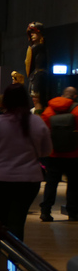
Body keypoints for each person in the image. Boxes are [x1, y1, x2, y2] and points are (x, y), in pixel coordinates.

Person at [0, 83, 52, 240]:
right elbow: (47, 151)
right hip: (29, 180)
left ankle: (1, 254)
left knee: (1, 220)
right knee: (18, 220)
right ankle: (15, 258)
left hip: (0, 179)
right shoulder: (37, 122)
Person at [38, 86, 78, 221]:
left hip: (53, 154)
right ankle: (73, 213)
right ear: (74, 97)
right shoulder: (77, 110)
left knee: (51, 183)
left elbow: (43, 132)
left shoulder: (49, 110)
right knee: (73, 184)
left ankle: (45, 211)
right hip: (73, 154)